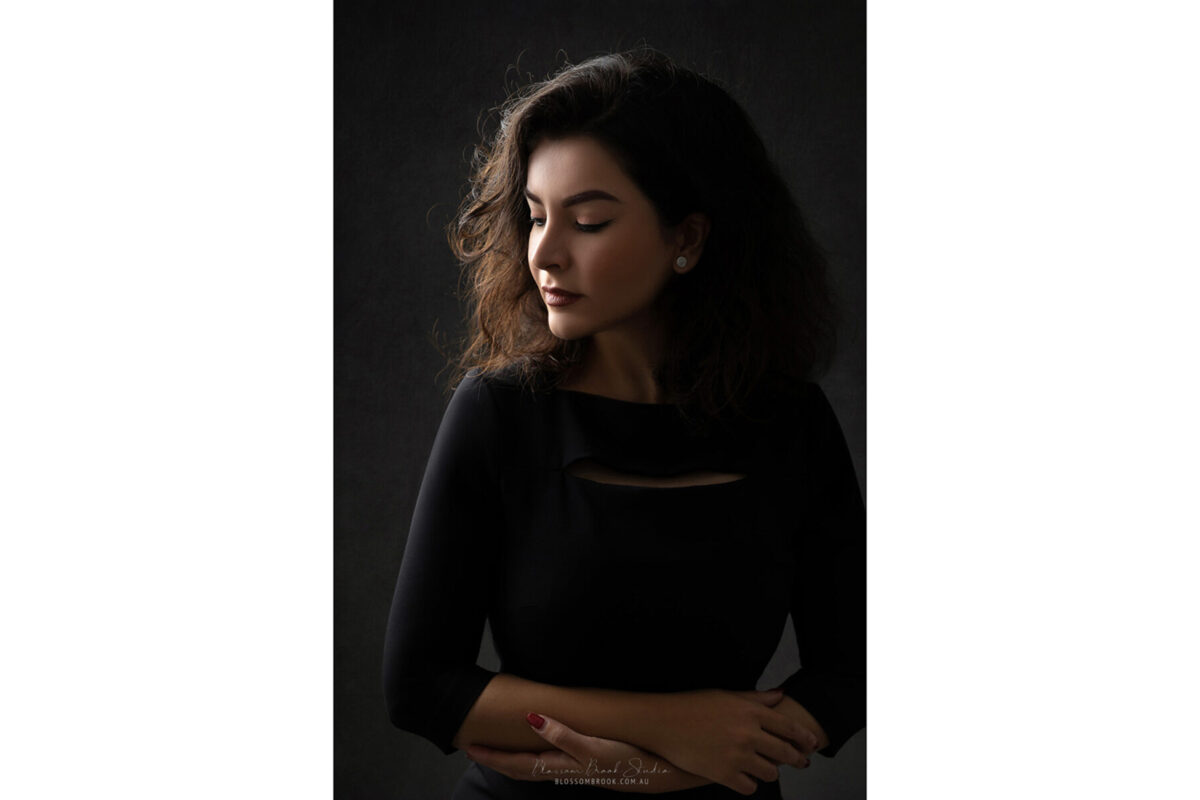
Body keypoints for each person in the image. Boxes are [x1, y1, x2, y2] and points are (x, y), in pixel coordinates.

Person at [383, 48, 865, 799]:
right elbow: (420, 686)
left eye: (589, 221)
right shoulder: (498, 412)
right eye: (535, 216)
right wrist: (664, 740)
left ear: (688, 239)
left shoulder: (791, 423)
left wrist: (697, 764)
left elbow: (856, 669)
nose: (545, 252)